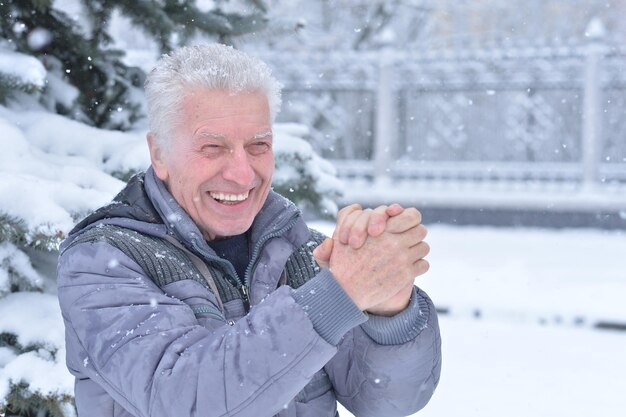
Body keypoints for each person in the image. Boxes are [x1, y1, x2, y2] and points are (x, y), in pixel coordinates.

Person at [57, 44, 441, 417]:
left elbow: (387, 402)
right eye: (212, 148)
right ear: (160, 154)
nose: (242, 174)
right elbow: (186, 401)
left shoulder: (305, 252)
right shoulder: (102, 261)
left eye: (258, 145)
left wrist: (388, 308)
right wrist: (337, 297)